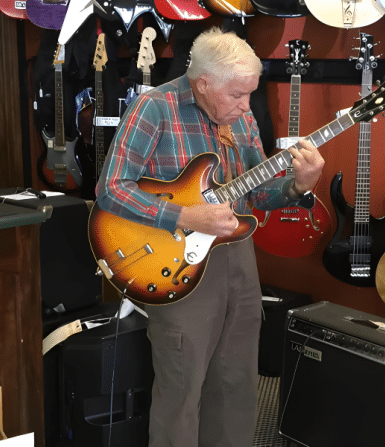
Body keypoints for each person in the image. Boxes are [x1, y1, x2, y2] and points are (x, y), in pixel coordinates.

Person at [95, 27, 325, 447]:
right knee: (182, 388)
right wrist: (185, 214)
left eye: (250, 94)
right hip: (174, 257)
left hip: (237, 256)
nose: (245, 105)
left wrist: (298, 186)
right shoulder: (154, 108)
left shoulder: (240, 114)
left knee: (237, 378)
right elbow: (111, 190)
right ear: (203, 83)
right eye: (237, 94)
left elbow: (257, 192)